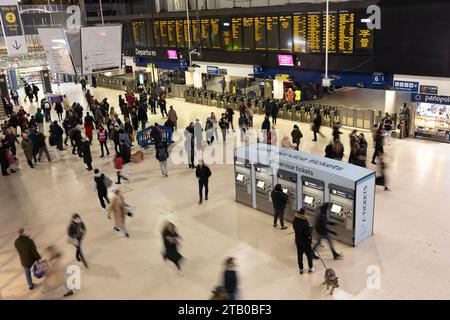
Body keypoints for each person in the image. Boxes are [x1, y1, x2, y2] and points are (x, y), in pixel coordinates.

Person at [293, 208, 314, 274]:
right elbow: (308, 234)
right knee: (309, 255)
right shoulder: (305, 222)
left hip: (298, 241)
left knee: (299, 256)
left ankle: (301, 269)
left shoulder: (295, 220)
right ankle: (310, 268)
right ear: (303, 213)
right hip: (306, 242)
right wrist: (310, 228)